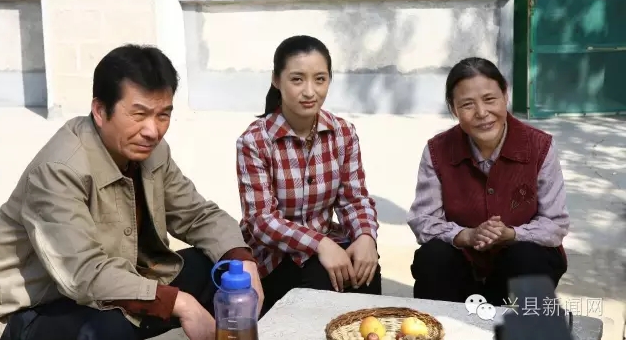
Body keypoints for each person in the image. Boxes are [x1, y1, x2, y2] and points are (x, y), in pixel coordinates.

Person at [0, 44, 263, 340]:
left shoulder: (151, 151)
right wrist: (180, 303)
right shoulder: (58, 169)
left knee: (220, 272)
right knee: (107, 329)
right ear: (100, 111)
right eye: (139, 114)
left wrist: (241, 260)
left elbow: (198, 215)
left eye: (163, 115)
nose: (152, 131)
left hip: (117, 287)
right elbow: (83, 274)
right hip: (38, 312)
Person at [236, 35, 381, 316]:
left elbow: (354, 199)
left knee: (366, 272)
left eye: (320, 79)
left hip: (328, 244)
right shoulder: (254, 141)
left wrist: (366, 237)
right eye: (297, 79)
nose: (310, 91)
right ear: (276, 80)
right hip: (274, 256)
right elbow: (261, 221)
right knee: (322, 282)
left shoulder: (343, 132)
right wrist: (320, 244)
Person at [407, 57, 569, 306]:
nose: (482, 113)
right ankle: (442, 323)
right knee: (433, 257)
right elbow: (423, 220)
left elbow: (555, 223)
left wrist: (511, 234)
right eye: (467, 104)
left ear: (505, 95)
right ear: (454, 109)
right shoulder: (437, 150)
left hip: (517, 264)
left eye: (490, 99)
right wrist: (467, 236)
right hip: (463, 267)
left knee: (529, 257)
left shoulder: (540, 146)